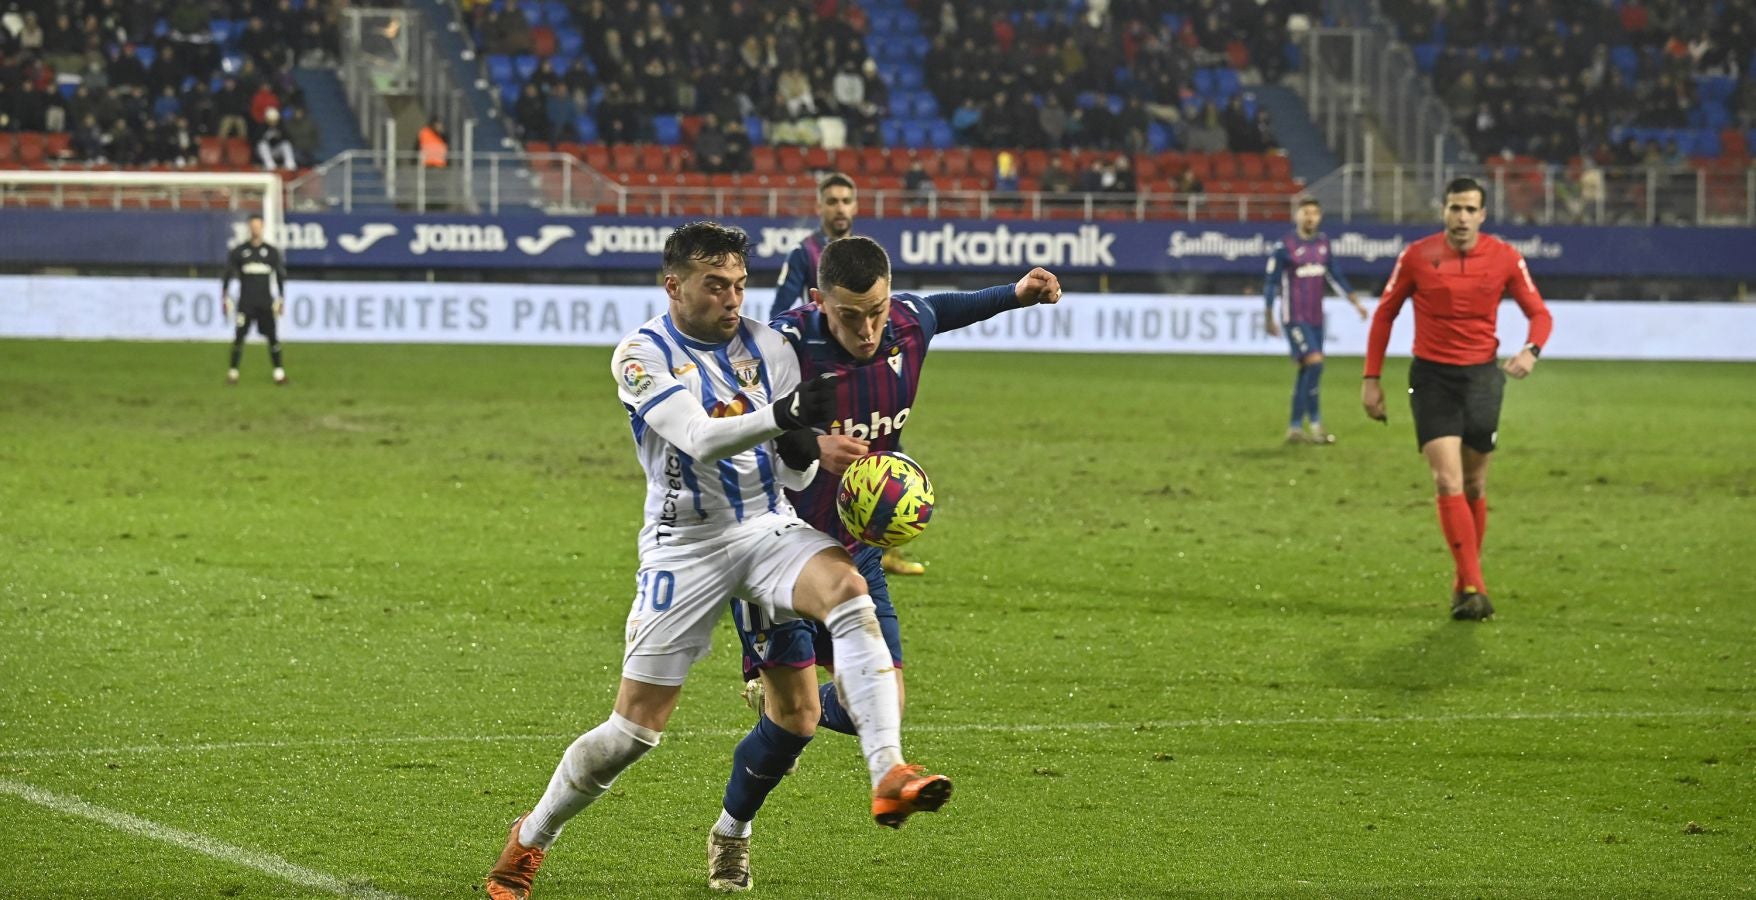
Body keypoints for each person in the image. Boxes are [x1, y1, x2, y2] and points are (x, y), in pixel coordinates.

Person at [483, 223, 951, 900]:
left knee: (848, 591)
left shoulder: (769, 347)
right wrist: (788, 415)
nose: (733, 299)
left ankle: (888, 772)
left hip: (765, 527)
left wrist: (812, 449)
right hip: (686, 545)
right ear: (673, 286)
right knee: (632, 732)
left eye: (739, 284)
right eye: (715, 285)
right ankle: (531, 840)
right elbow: (699, 439)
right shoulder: (640, 354)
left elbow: (788, 478)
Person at [708, 237, 1065, 892]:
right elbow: (728, 426)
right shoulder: (783, 347)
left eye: (876, 311)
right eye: (850, 316)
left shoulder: (905, 322)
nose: (868, 329)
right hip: (774, 553)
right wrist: (810, 444)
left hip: (854, 551)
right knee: (795, 730)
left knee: (882, 704)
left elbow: (945, 308)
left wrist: (1017, 294)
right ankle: (732, 832)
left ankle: (840, 731)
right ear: (819, 304)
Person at [1361, 177, 1553, 621]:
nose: (1462, 217)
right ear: (1443, 211)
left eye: (1470, 210)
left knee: (1474, 485)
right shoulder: (1416, 256)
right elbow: (1385, 315)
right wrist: (1371, 378)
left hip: (1482, 379)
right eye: (1454, 208)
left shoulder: (1505, 257)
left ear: (1483, 215)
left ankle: (1463, 578)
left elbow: (1539, 313)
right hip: (1431, 379)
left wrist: (1531, 350)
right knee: (1446, 480)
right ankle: (1473, 586)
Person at [1264, 198, 1367, 444]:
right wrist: (1268, 315)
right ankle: (1316, 424)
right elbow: (1271, 283)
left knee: (1307, 370)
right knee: (1315, 363)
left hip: (1315, 318)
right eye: (1305, 212)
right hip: (1294, 317)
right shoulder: (1284, 247)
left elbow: (1336, 275)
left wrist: (1355, 302)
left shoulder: (1323, 244)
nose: (1310, 217)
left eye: (1314, 213)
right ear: (1297, 216)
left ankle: (1296, 428)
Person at [769, 173, 857, 320]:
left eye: (846, 201)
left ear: (855, 207)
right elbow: (779, 309)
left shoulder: (866, 252)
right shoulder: (803, 251)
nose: (840, 209)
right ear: (819, 207)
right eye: (832, 201)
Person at [221, 214, 288, 386]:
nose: (256, 229)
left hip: (265, 303)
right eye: (253, 226)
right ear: (249, 228)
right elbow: (228, 273)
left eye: (258, 226)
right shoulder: (240, 251)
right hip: (246, 303)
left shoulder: (271, 252)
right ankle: (233, 373)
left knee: (273, 337)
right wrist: (224, 295)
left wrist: (281, 298)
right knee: (239, 337)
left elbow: (279, 276)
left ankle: (279, 374)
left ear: (263, 228)